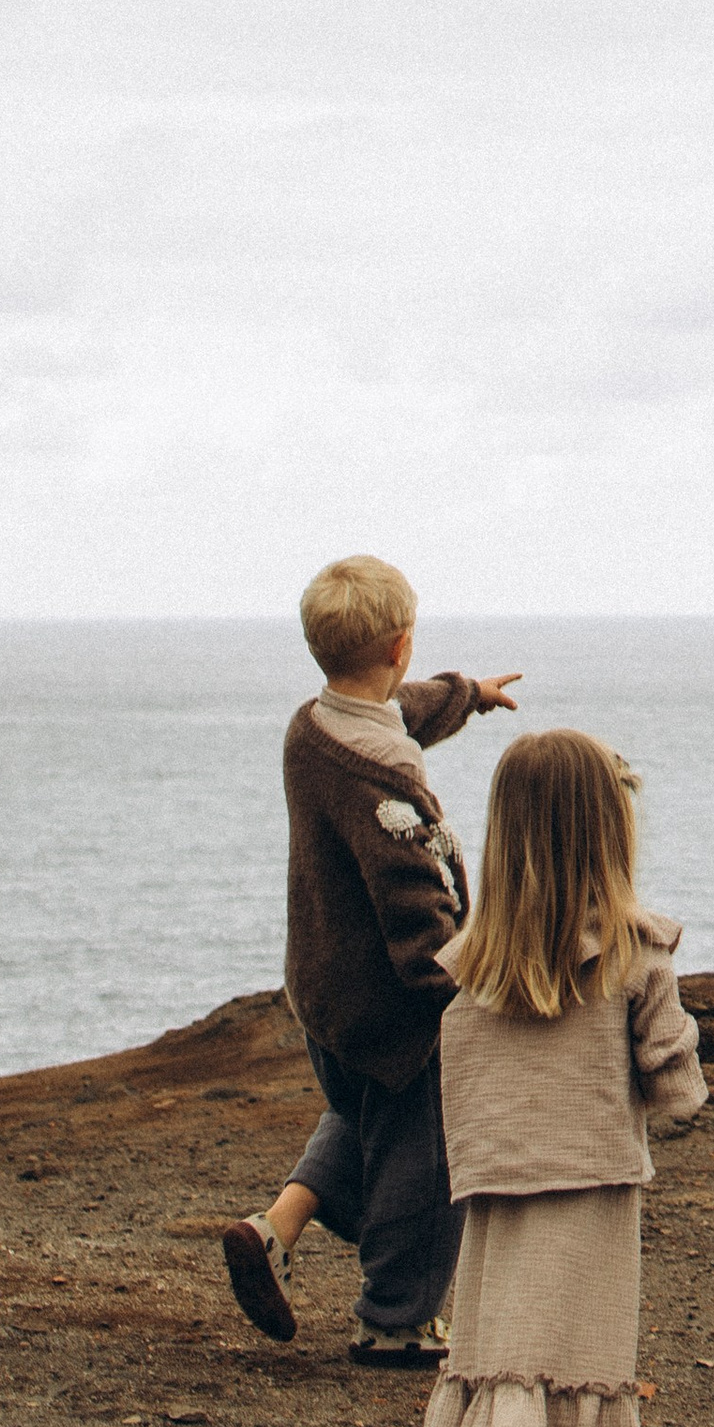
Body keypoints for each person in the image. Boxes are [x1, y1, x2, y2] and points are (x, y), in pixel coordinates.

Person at [409, 727, 706, 1427]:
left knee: (501, 1342)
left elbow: (459, 1071)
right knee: (570, 1350)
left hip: (496, 1182)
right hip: (593, 1180)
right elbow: (673, 1080)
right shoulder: (635, 954)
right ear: (608, 833)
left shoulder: (476, 966)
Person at [222, 555, 521, 1365]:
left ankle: (273, 1229)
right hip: (395, 1002)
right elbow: (413, 904)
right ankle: (395, 1320)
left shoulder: (312, 731)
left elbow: (396, 709)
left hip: (328, 994)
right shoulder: (384, 780)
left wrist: (467, 695)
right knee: (425, 1160)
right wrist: (459, 990)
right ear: (400, 645)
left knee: (361, 1112)